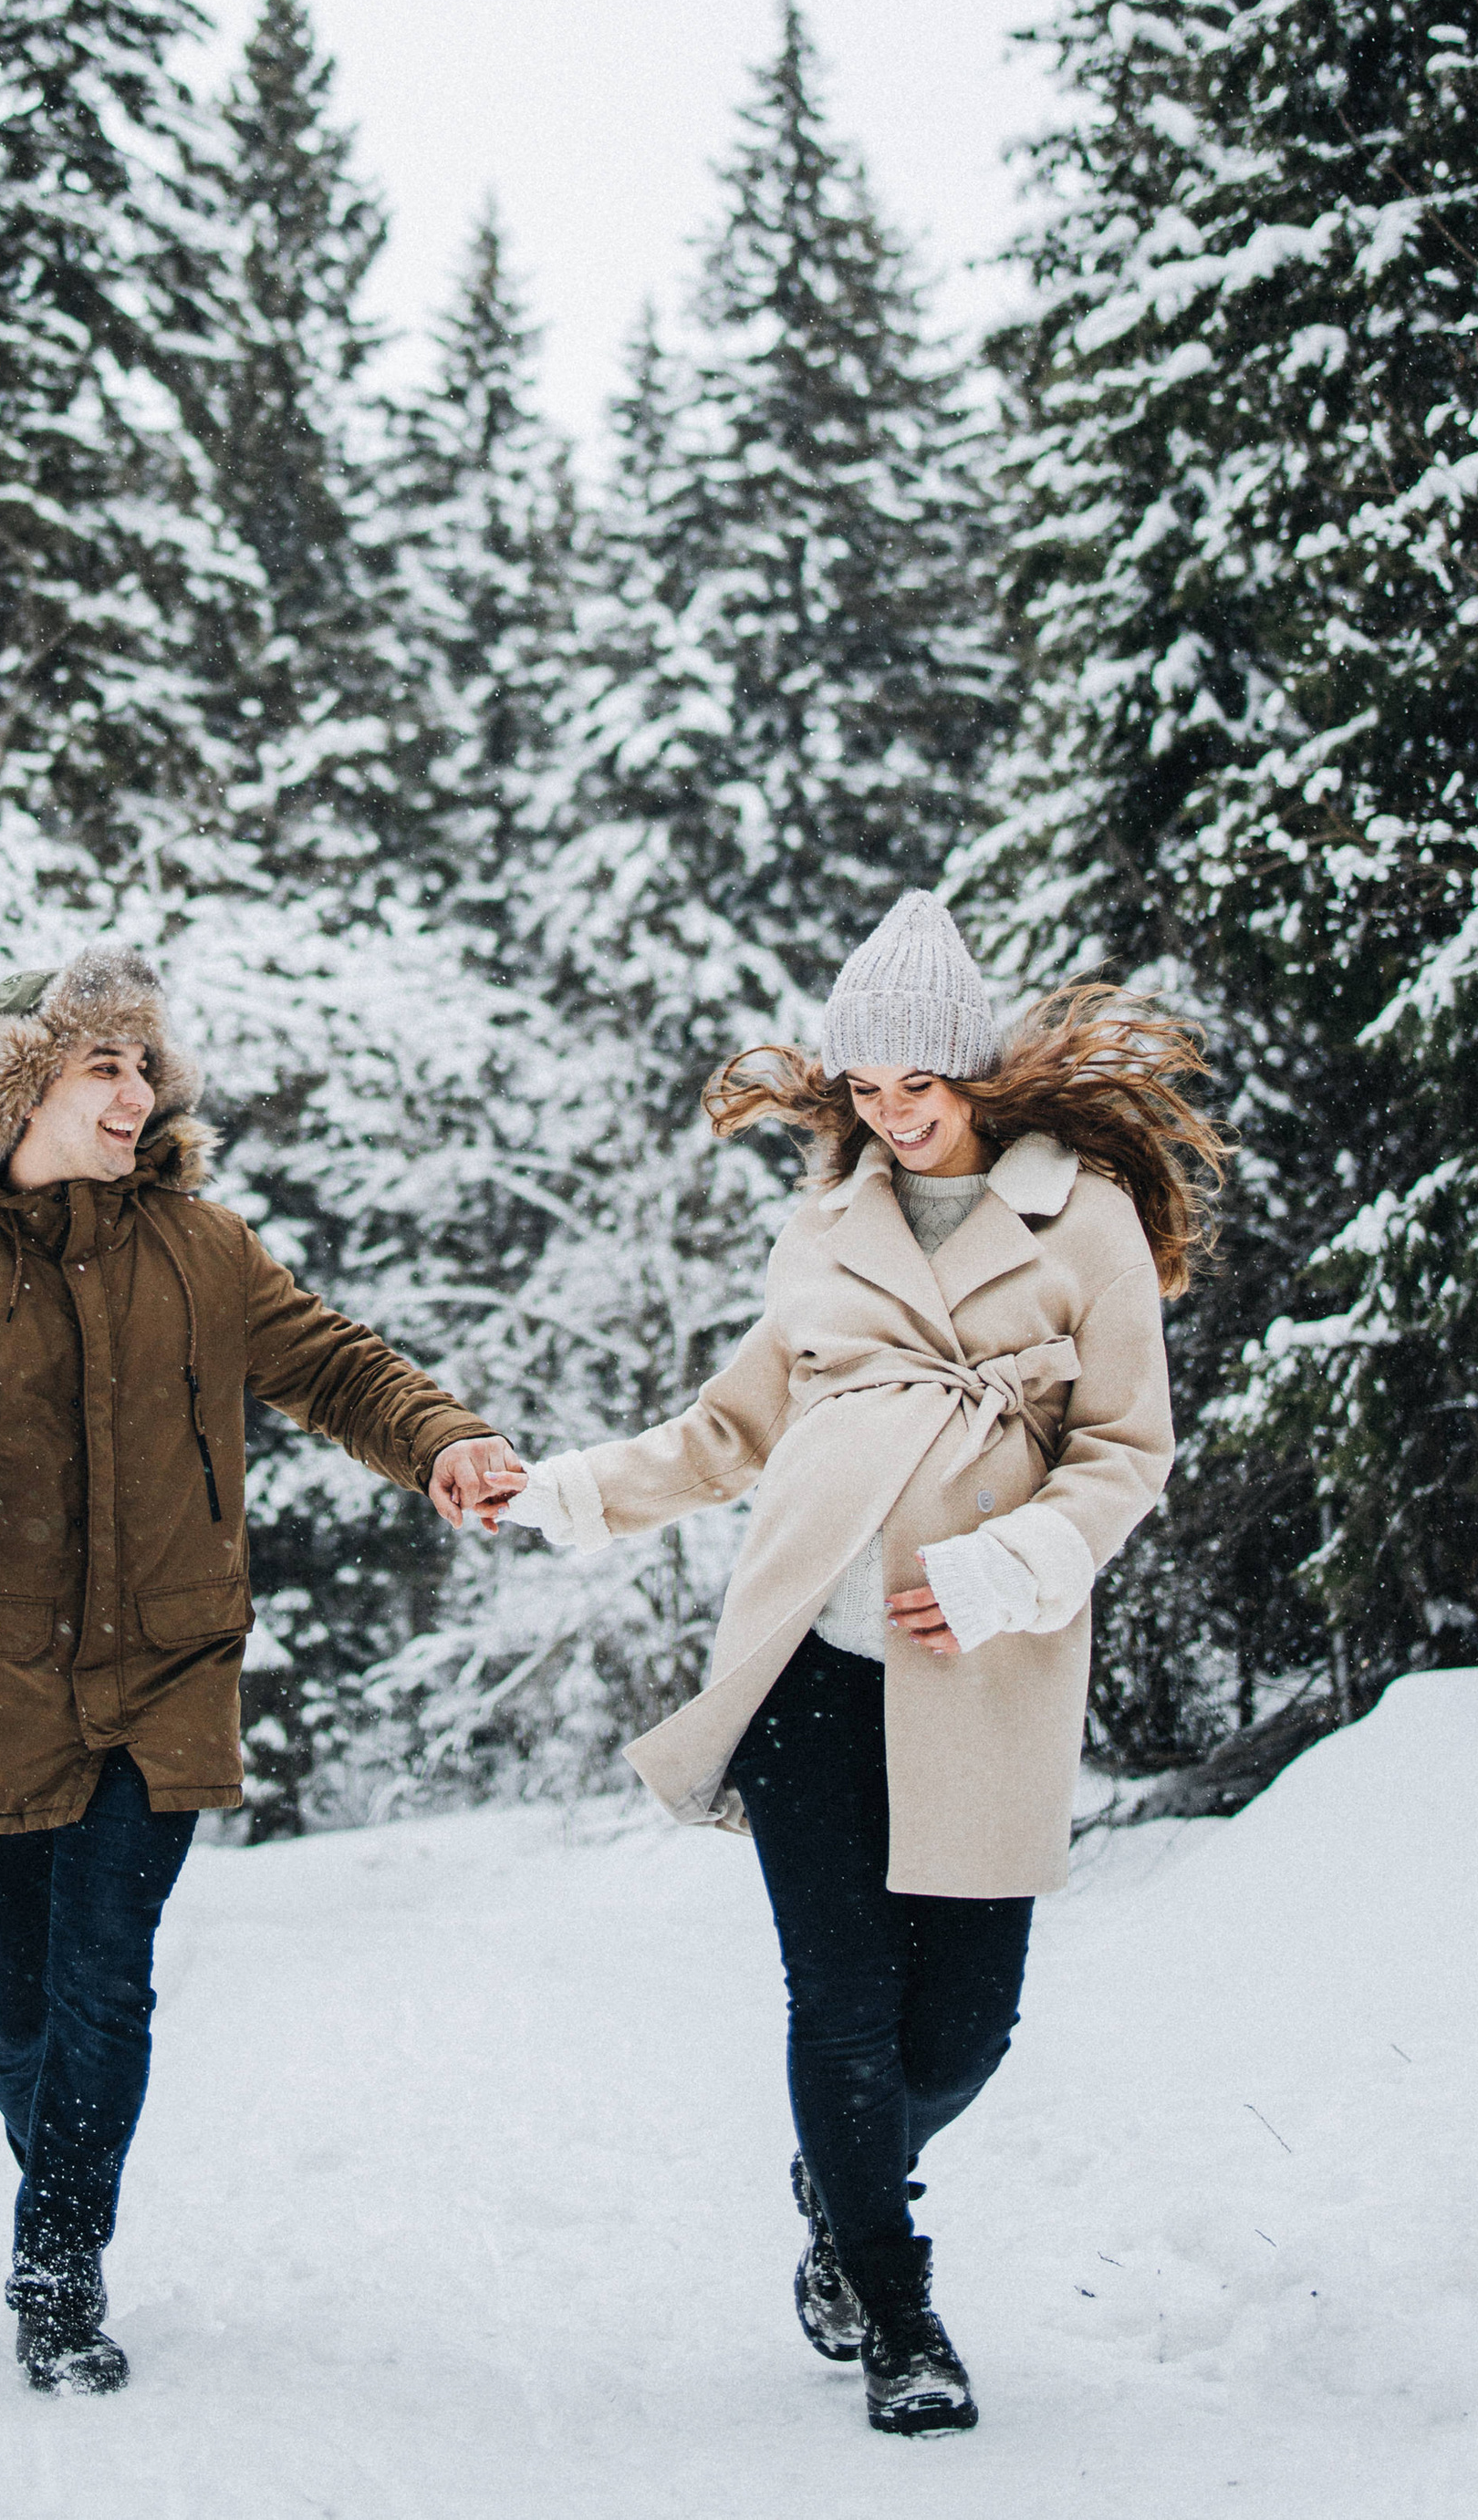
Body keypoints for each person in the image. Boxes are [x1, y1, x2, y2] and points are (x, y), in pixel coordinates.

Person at [510, 892, 1224, 2439]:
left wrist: (1004, 1566)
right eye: (866, 1090)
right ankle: (899, 2312)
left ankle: (840, 2177)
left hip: (981, 1666)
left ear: (976, 1076)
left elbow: (1126, 1448)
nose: (894, 1118)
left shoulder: (1081, 1217)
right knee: (836, 2009)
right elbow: (729, 1432)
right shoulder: (826, 1226)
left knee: (964, 2027)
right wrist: (572, 1490)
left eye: (921, 1085)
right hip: (808, 1667)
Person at [0, 944, 523, 2396]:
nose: (139, 1092)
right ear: (19, 1094)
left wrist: (440, 1437)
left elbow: (335, 1365)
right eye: (102, 1067)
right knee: (19, 2020)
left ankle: (57, 2266)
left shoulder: (204, 1248)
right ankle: (58, 2171)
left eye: (147, 1066)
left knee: (105, 1982)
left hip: (164, 1673)